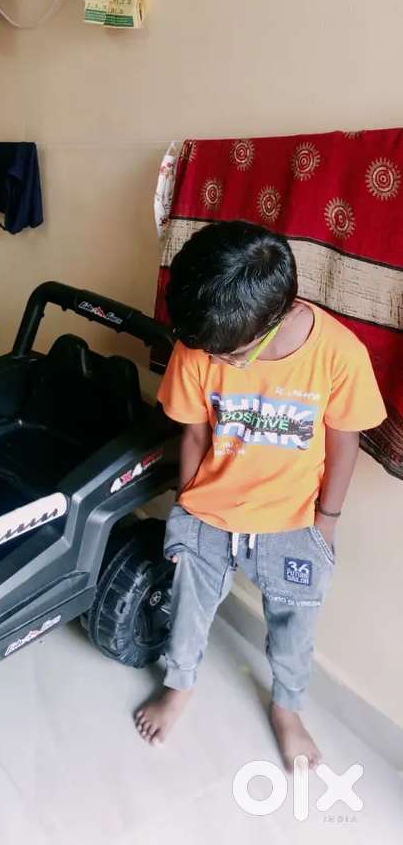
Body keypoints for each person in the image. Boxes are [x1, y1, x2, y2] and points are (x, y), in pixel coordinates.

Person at [136, 221, 386, 770]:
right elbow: (194, 433)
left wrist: (326, 522)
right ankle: (179, 686)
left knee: (295, 626)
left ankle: (287, 709)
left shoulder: (338, 353)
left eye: (231, 354)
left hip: (294, 524)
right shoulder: (202, 344)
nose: (218, 360)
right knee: (187, 608)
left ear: (277, 315)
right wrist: (187, 505)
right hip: (209, 513)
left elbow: (344, 442)